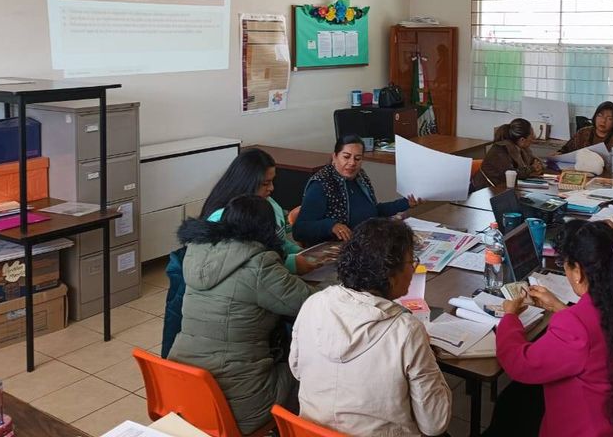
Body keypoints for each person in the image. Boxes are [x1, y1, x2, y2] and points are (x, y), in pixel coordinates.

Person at [486, 221, 613, 436]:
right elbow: (598, 335)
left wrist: (510, 317)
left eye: (565, 266)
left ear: (578, 271)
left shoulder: (576, 325)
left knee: (511, 405)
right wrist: (560, 308)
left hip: (584, 427)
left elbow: (520, 364)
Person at [289, 218, 452, 436]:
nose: (413, 269)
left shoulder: (314, 304)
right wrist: (429, 360)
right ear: (389, 273)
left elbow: (297, 369)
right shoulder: (406, 330)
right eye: (410, 262)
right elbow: (435, 423)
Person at [168, 196, 316, 434]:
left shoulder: (197, 253)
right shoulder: (260, 264)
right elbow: (312, 304)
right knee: (307, 366)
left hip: (184, 389)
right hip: (239, 400)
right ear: (267, 230)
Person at [162, 148, 313, 358]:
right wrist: (291, 264)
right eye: (265, 183)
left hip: (261, 290)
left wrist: (300, 253)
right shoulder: (224, 217)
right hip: (238, 324)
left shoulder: (269, 205)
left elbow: (280, 241)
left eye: (272, 181)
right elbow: (245, 263)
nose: (272, 188)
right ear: (247, 183)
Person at [293, 135, 418, 245]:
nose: (352, 163)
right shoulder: (321, 184)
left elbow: (373, 210)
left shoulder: (360, 177)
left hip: (366, 241)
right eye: (346, 157)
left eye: (357, 158)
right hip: (337, 248)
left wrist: (405, 203)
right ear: (335, 157)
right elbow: (300, 230)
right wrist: (331, 226)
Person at [557, 101, 613, 168]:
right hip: (582, 173)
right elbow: (565, 151)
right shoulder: (583, 133)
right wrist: (557, 154)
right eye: (600, 115)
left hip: (608, 177)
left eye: (609, 118)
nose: (603, 121)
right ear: (595, 116)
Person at [471, 117, 544, 191]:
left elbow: (533, 161)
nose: (534, 138)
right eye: (532, 136)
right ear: (522, 140)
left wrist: (538, 167)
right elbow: (511, 174)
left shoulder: (522, 148)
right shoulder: (500, 150)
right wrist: (532, 169)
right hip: (484, 191)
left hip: (503, 189)